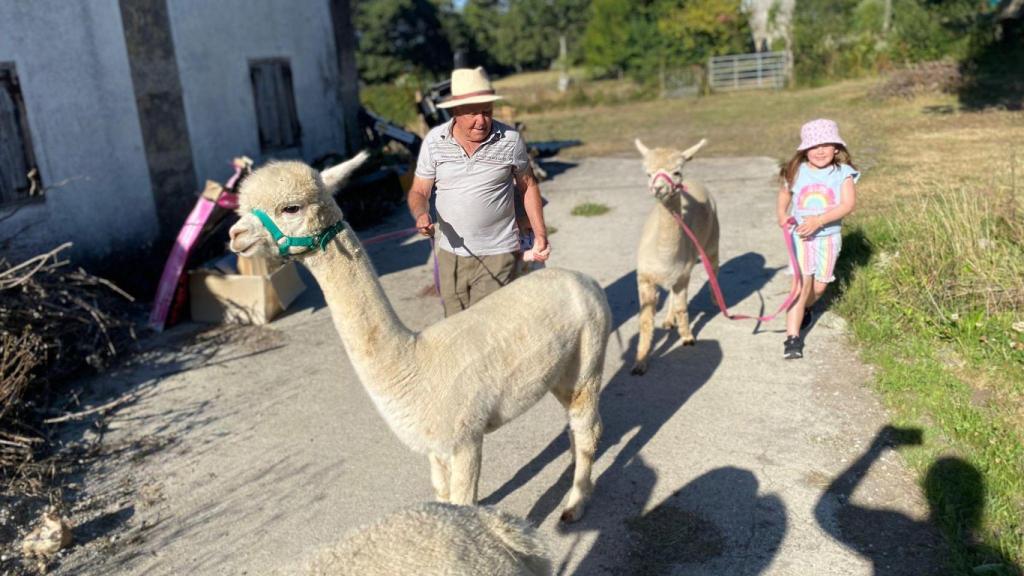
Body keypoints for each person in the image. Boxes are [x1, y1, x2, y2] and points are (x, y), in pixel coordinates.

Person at [407, 67, 549, 317]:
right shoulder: (434, 141)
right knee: (455, 326)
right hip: (451, 255)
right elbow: (419, 191)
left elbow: (528, 185)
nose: (482, 121)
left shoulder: (510, 140)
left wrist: (540, 234)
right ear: (455, 111)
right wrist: (421, 214)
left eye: (487, 111)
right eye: (473, 113)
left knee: (487, 327)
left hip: (498, 252)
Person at [776, 118, 859, 359]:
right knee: (801, 287)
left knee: (820, 286)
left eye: (825, 145)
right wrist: (782, 214)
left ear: (836, 148)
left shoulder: (843, 173)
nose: (820, 151)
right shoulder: (796, 171)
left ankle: (807, 307)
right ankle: (792, 338)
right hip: (801, 237)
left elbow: (848, 205)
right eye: (813, 146)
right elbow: (784, 193)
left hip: (828, 237)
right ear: (804, 150)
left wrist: (819, 221)